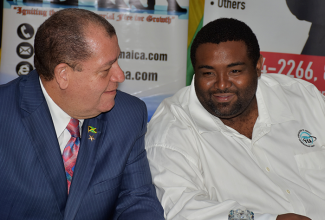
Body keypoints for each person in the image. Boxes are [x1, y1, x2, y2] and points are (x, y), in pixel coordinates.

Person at [146, 18, 325, 220]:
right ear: (194, 72)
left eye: (235, 71)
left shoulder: (302, 97)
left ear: (258, 66)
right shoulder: (173, 124)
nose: (222, 85)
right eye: (208, 73)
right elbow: (180, 208)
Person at [0, 8, 164, 220]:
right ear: (63, 75)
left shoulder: (127, 115)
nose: (120, 75)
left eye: (117, 60)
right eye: (106, 70)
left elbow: (137, 202)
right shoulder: (4, 115)